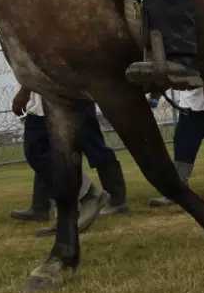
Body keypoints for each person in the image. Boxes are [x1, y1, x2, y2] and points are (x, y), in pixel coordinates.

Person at [10, 86, 125, 237]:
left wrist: (25, 90)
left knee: (95, 148)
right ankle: (48, 207)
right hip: (39, 103)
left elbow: (40, 64)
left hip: (66, 96)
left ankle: (113, 198)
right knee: (40, 153)